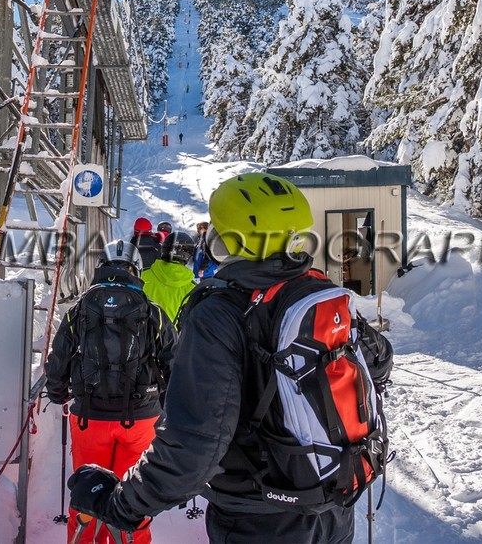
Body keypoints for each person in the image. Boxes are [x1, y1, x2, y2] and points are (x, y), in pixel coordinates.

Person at [68, 173, 394, 544]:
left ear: (231, 240)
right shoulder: (318, 292)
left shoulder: (220, 313)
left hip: (258, 519)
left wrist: (122, 504)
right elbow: (379, 360)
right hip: (333, 506)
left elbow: (194, 444)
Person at [44, 239, 175, 544]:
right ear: (136, 269)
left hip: (89, 418)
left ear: (100, 267)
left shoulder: (79, 309)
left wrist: (58, 393)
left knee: (87, 494)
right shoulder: (152, 311)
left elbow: (59, 357)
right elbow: (175, 362)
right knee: (133, 497)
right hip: (141, 419)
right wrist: (168, 406)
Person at [142, 230, 198, 327]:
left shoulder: (142, 276)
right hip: (172, 336)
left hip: (143, 334)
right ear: (188, 255)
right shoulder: (192, 289)